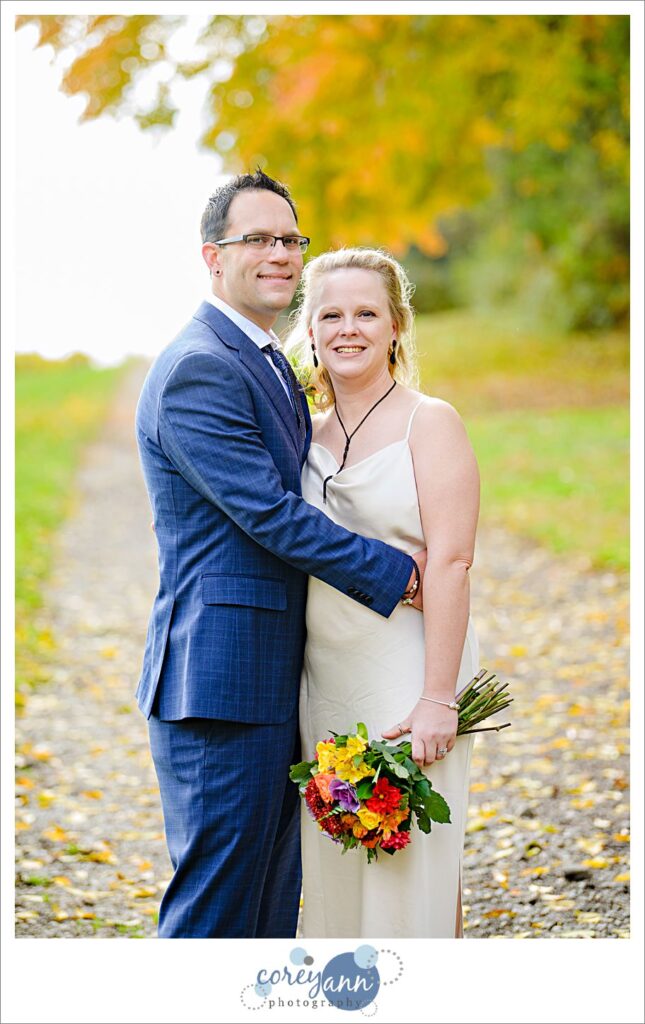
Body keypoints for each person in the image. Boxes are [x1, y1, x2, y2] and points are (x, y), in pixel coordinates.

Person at [134, 172, 426, 938]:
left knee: (267, 905)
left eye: (289, 239)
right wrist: (392, 572)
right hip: (218, 680)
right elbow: (268, 513)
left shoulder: (263, 358)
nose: (279, 254)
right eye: (256, 239)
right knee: (217, 908)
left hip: (268, 674)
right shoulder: (199, 366)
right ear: (212, 254)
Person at [286, 247, 480, 938]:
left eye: (366, 312)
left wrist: (437, 698)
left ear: (396, 325)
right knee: (336, 861)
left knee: (412, 864)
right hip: (326, 674)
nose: (347, 328)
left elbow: (452, 563)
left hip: (408, 670)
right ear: (308, 329)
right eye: (329, 314)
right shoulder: (299, 433)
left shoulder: (430, 421)